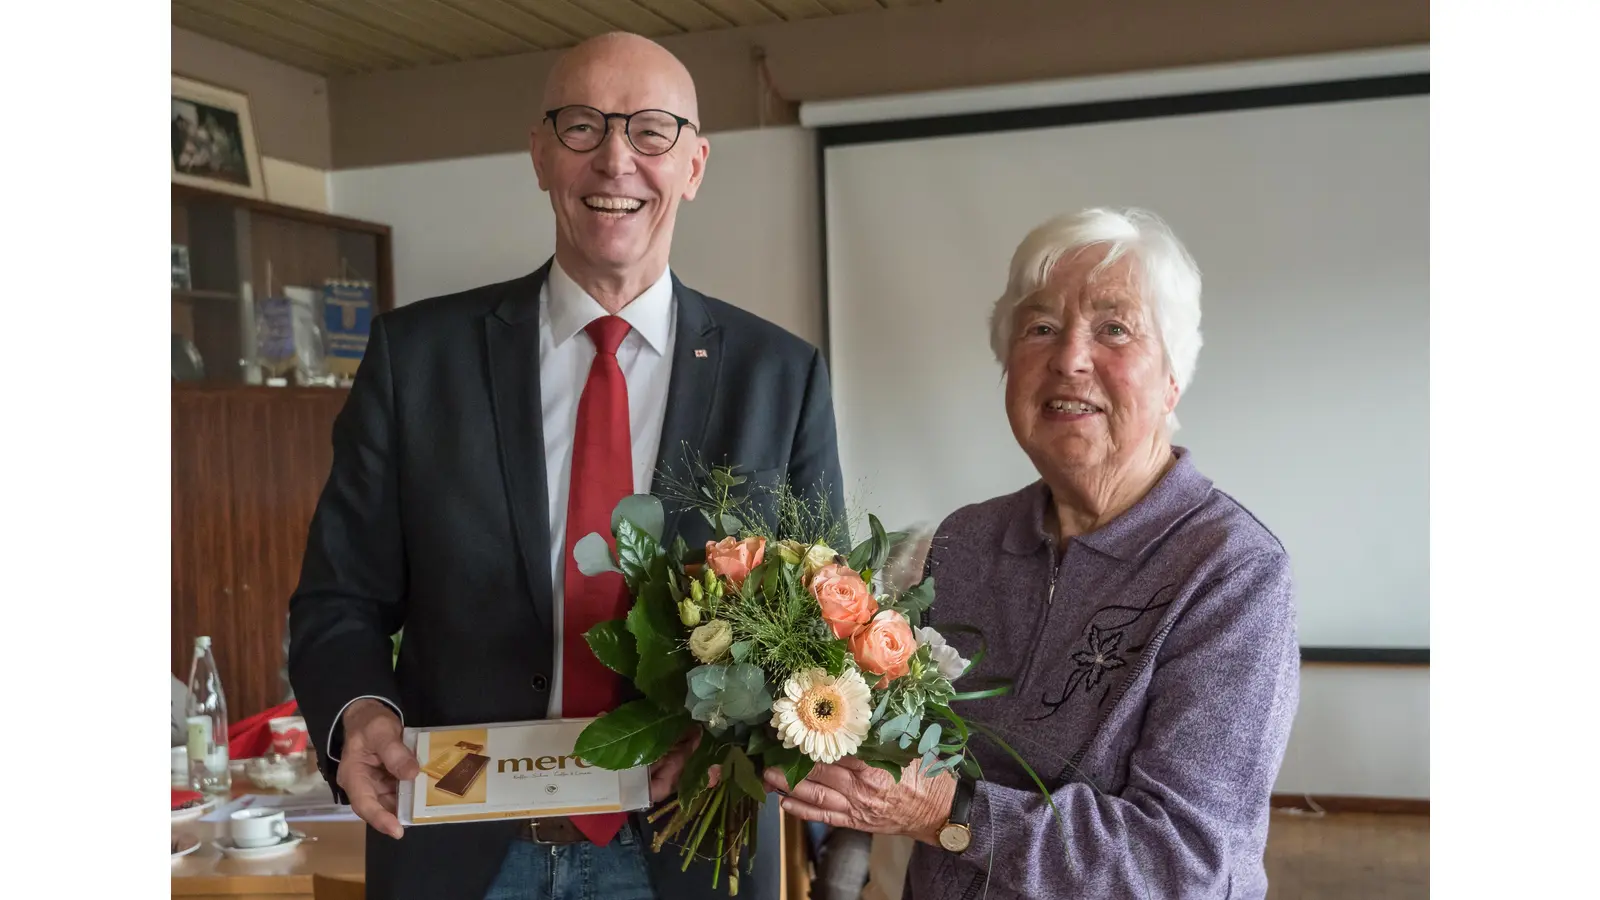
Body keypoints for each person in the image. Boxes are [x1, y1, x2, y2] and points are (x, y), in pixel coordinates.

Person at [288, 33, 847, 900]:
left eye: (652, 131)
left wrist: (740, 733)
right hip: (459, 844)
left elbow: (817, 632)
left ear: (694, 165)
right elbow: (339, 599)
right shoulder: (418, 358)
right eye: (582, 126)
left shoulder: (780, 377)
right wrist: (360, 713)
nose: (615, 159)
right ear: (542, 155)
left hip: (684, 852)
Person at [766, 208, 1300, 899]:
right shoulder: (964, 543)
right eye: (1040, 328)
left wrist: (951, 813)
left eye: (1114, 329)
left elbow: (1185, 867)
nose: (1070, 358)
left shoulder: (1231, 572)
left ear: (1173, 377)